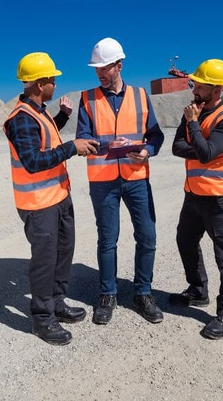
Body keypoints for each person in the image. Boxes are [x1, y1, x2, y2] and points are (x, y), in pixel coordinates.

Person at [5, 52, 100, 345]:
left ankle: (57, 303)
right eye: (52, 80)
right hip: (38, 205)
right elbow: (33, 160)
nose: (55, 84)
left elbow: (44, 136)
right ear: (39, 83)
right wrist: (72, 147)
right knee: (45, 262)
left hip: (58, 198)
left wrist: (64, 116)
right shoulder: (20, 118)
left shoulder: (39, 112)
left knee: (62, 253)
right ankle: (42, 319)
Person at [76, 37, 165, 325]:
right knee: (107, 239)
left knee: (147, 237)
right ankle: (107, 294)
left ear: (119, 65)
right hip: (103, 181)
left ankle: (143, 293)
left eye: (105, 67)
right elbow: (83, 139)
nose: (100, 73)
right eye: (97, 69)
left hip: (136, 178)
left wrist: (146, 149)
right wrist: (109, 145)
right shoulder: (87, 99)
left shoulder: (140, 96)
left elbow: (156, 135)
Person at [169, 59, 223, 340]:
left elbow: (206, 153)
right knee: (185, 241)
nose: (194, 89)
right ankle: (198, 290)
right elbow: (177, 147)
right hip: (193, 194)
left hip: (220, 198)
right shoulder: (194, 110)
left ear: (217, 90)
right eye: (195, 83)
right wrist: (200, 142)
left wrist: (194, 127)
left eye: (200, 85)